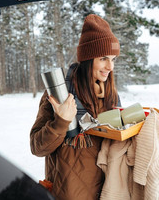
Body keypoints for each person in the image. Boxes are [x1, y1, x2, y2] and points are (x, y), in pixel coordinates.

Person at [30, 14, 121, 200]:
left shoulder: (111, 94)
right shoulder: (58, 93)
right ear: (88, 59)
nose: (110, 66)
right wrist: (61, 122)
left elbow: (119, 138)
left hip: (106, 191)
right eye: (104, 58)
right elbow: (37, 148)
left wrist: (149, 131)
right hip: (68, 193)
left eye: (113, 59)